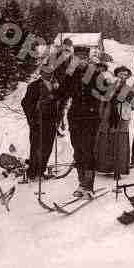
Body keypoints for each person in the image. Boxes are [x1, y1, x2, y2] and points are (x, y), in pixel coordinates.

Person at [58, 58, 106, 199]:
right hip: (75, 117)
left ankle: (89, 185)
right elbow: (62, 94)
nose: (82, 62)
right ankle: (81, 184)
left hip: (91, 118)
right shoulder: (71, 75)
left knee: (88, 150)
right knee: (78, 150)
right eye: (78, 59)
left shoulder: (97, 76)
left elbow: (106, 94)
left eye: (85, 59)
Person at [21, 65, 63, 181]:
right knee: (36, 147)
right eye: (45, 72)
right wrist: (32, 119)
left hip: (51, 121)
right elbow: (26, 103)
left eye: (50, 72)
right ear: (41, 73)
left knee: (47, 147)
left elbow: (60, 104)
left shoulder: (56, 86)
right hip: (38, 121)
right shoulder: (34, 86)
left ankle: (41, 171)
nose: (48, 74)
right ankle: (32, 172)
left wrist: (59, 118)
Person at [95, 66, 133, 179]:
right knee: (107, 139)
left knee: (120, 141)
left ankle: (118, 169)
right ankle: (105, 167)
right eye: (121, 74)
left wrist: (125, 99)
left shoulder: (129, 88)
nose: (123, 76)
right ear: (117, 75)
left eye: (125, 75)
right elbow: (104, 99)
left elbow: (131, 102)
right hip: (108, 115)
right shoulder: (110, 86)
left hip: (122, 116)